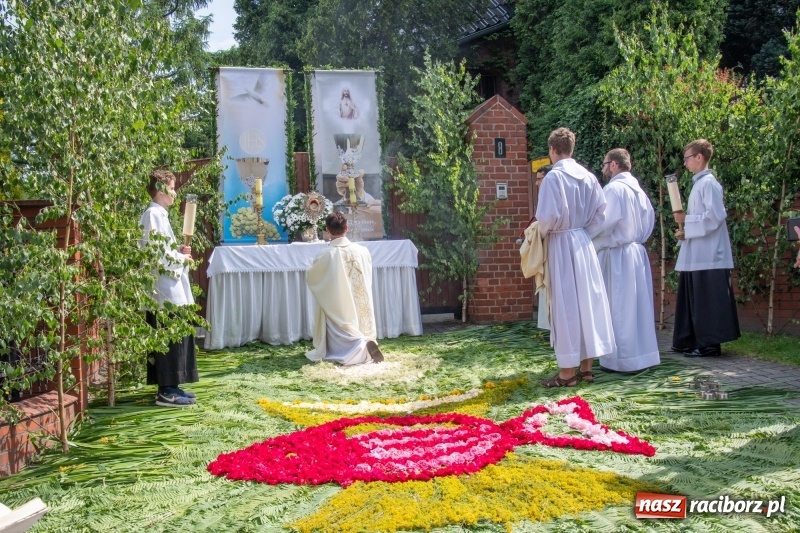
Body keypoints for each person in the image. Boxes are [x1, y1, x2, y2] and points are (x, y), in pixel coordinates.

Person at [535, 128, 615, 387]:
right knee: (587, 304)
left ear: (551, 150)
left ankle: (567, 374)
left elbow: (545, 218)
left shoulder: (553, 178)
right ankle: (587, 368)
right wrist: (583, 233)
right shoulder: (589, 176)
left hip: (561, 242)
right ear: (571, 148)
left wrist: (541, 237)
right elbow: (601, 214)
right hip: (583, 242)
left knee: (566, 305)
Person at [590, 149, 659, 372]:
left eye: (604, 164)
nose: (603, 168)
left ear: (614, 165)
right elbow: (650, 223)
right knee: (637, 308)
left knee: (619, 307)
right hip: (637, 253)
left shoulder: (614, 189)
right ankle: (642, 357)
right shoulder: (639, 192)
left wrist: (584, 235)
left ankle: (621, 361)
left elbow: (602, 222)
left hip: (619, 255)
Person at [672, 139, 740, 357]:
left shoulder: (709, 183)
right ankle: (692, 340)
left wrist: (687, 220)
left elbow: (714, 217)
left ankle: (709, 344)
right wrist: (685, 231)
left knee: (707, 300)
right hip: (698, 253)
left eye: (687, 158)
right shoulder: (699, 184)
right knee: (696, 298)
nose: (685, 163)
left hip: (709, 256)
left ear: (699, 157)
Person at [140, 170, 198, 407]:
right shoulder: (153, 214)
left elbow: (166, 250)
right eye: (172, 188)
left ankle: (172, 385)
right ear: (162, 189)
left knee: (176, 337)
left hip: (170, 286)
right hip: (163, 289)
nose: (175, 193)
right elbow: (157, 254)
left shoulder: (160, 214)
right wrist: (180, 259)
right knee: (167, 336)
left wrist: (179, 253)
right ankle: (166, 390)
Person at [305, 211, 384, 365]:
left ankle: (360, 347)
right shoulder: (362, 251)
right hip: (361, 302)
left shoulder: (325, 255)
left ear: (327, 230)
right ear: (347, 227)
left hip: (340, 306)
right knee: (359, 320)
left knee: (337, 318)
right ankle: (366, 341)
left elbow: (314, 279)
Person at [520, 164, 552, 331]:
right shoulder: (544, 196)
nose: (537, 183)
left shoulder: (552, 193)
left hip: (552, 246)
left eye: (539, 179)